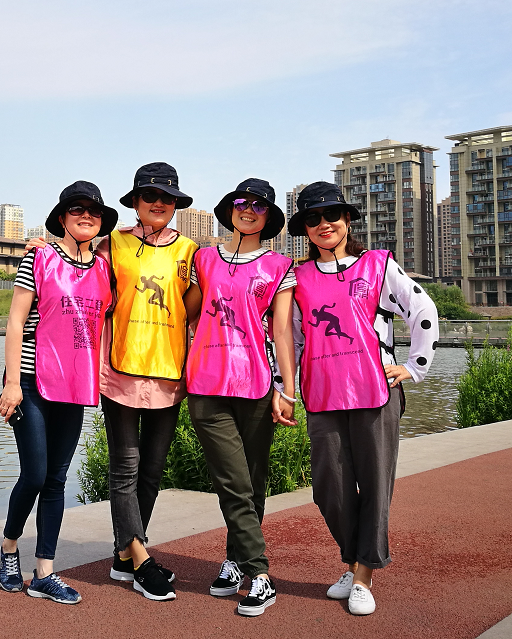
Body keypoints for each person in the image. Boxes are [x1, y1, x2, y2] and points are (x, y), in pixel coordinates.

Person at [288, 181, 438, 616]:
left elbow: (423, 310)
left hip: (376, 393)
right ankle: (355, 562)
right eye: (312, 218)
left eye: (331, 215)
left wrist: (414, 367)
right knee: (328, 488)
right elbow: (292, 338)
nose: (323, 224)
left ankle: (363, 576)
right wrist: (284, 388)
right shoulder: (298, 277)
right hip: (322, 394)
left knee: (375, 485)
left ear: (347, 219)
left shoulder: (377, 265)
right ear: (305, 229)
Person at [0, 181, 117, 604]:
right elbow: (15, 321)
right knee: (34, 474)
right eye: (76, 209)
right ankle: (9, 546)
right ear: (62, 217)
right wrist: (12, 383)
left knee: (57, 479)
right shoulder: (39, 257)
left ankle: (44, 572)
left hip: (74, 385)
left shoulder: (104, 269)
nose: (86, 216)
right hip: (31, 380)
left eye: (94, 211)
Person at [183, 178, 296, 617]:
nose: (248, 209)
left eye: (259, 206)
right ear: (230, 209)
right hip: (206, 384)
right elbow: (188, 311)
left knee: (253, 480)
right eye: (241, 202)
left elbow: (282, 331)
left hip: (256, 384)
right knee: (232, 480)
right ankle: (261, 575)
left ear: (269, 217)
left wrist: (288, 390)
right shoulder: (204, 258)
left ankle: (234, 561)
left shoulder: (279, 266)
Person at [100, 162, 198, 601]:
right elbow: (83, 279)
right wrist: (44, 248)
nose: (159, 203)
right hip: (120, 371)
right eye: (150, 196)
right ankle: (141, 559)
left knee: (153, 471)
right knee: (125, 467)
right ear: (136, 202)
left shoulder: (191, 251)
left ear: (175, 204)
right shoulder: (112, 243)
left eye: (167, 197)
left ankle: (124, 556)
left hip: (169, 373)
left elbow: (193, 308)